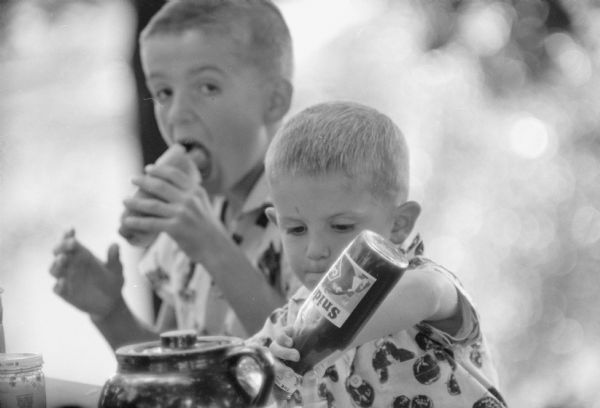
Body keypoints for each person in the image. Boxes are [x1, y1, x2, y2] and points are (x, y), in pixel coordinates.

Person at [49, 0, 299, 351]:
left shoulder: (317, 217)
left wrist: (211, 246)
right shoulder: (192, 220)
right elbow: (176, 362)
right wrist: (110, 311)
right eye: (163, 92)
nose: (177, 113)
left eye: (208, 87)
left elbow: (311, 357)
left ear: (274, 101)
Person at [249, 101, 506, 407]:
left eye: (341, 226)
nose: (316, 250)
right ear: (277, 224)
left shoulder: (423, 284)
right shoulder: (284, 331)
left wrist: (324, 339)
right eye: (296, 230)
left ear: (399, 225)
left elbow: (426, 294)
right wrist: (266, 371)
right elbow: (234, 377)